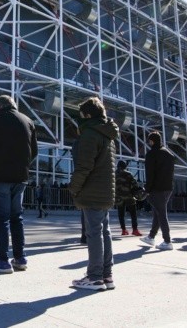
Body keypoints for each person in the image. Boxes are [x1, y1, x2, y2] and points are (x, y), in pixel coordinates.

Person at [0, 94, 38, 273]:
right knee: (16, 218)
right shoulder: (28, 121)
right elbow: (33, 150)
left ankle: (2, 260)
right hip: (20, 176)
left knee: (1, 219)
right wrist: (23, 165)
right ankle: (20, 257)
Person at [68, 97, 118, 291]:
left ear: (87, 115)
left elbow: (84, 166)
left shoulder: (90, 134)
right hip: (105, 190)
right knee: (104, 232)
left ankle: (95, 277)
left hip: (92, 190)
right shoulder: (107, 134)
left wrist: (74, 187)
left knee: (94, 233)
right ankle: (106, 275)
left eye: (81, 115)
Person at [140, 131, 175, 250]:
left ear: (151, 141)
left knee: (161, 214)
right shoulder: (169, 153)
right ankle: (151, 236)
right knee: (158, 212)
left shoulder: (151, 154)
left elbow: (150, 174)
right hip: (168, 187)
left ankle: (167, 241)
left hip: (157, 188)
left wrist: (147, 189)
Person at [115, 160, 140, 236]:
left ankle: (123, 230)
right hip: (129, 197)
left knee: (121, 214)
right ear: (125, 166)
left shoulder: (113, 174)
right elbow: (135, 185)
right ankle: (135, 230)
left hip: (118, 198)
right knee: (133, 214)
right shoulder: (128, 174)